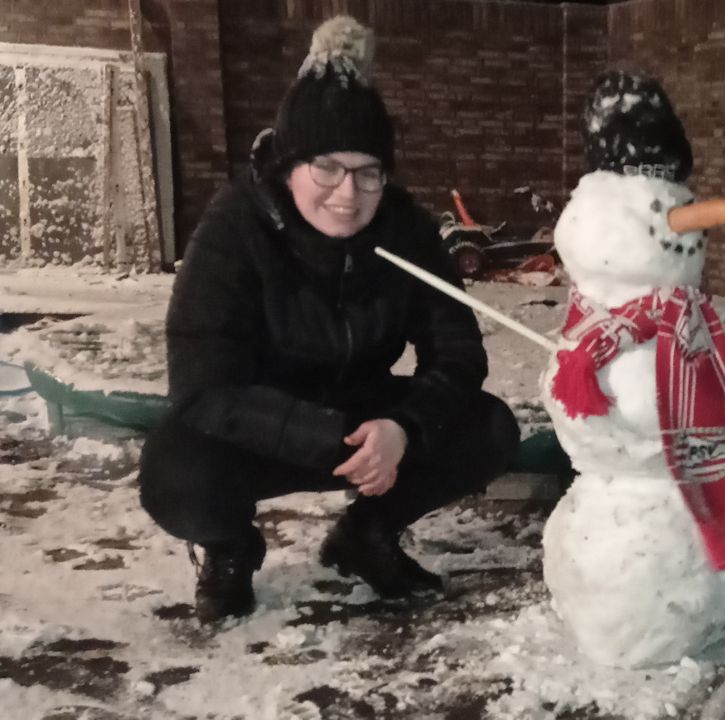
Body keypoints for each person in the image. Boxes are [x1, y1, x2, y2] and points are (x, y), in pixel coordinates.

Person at [138, 16, 520, 624]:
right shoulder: (235, 227)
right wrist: (326, 432)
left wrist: (402, 426)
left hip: (369, 418)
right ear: (289, 166)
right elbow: (202, 385)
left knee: (490, 428)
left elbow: (459, 354)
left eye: (368, 171)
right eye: (326, 167)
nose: (348, 193)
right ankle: (230, 550)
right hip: (260, 422)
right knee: (175, 473)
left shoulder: (407, 231)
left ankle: (365, 537)